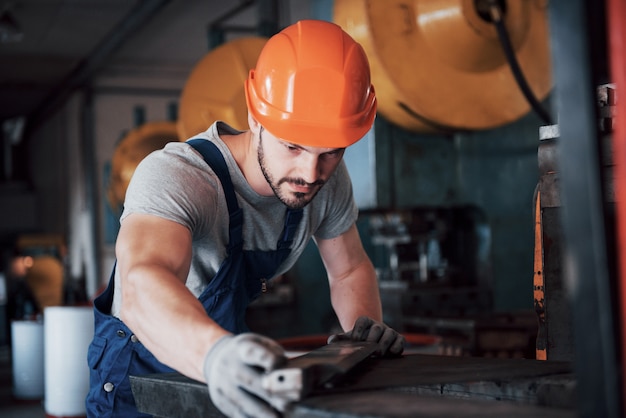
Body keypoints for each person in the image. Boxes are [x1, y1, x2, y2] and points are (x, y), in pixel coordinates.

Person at [86, 19, 405, 418]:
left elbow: (349, 270)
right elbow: (140, 284)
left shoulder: (327, 178)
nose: (310, 173)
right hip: (139, 375)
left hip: (219, 367)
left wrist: (364, 332)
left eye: (331, 152)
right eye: (292, 146)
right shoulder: (178, 175)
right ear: (255, 117)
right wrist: (216, 357)